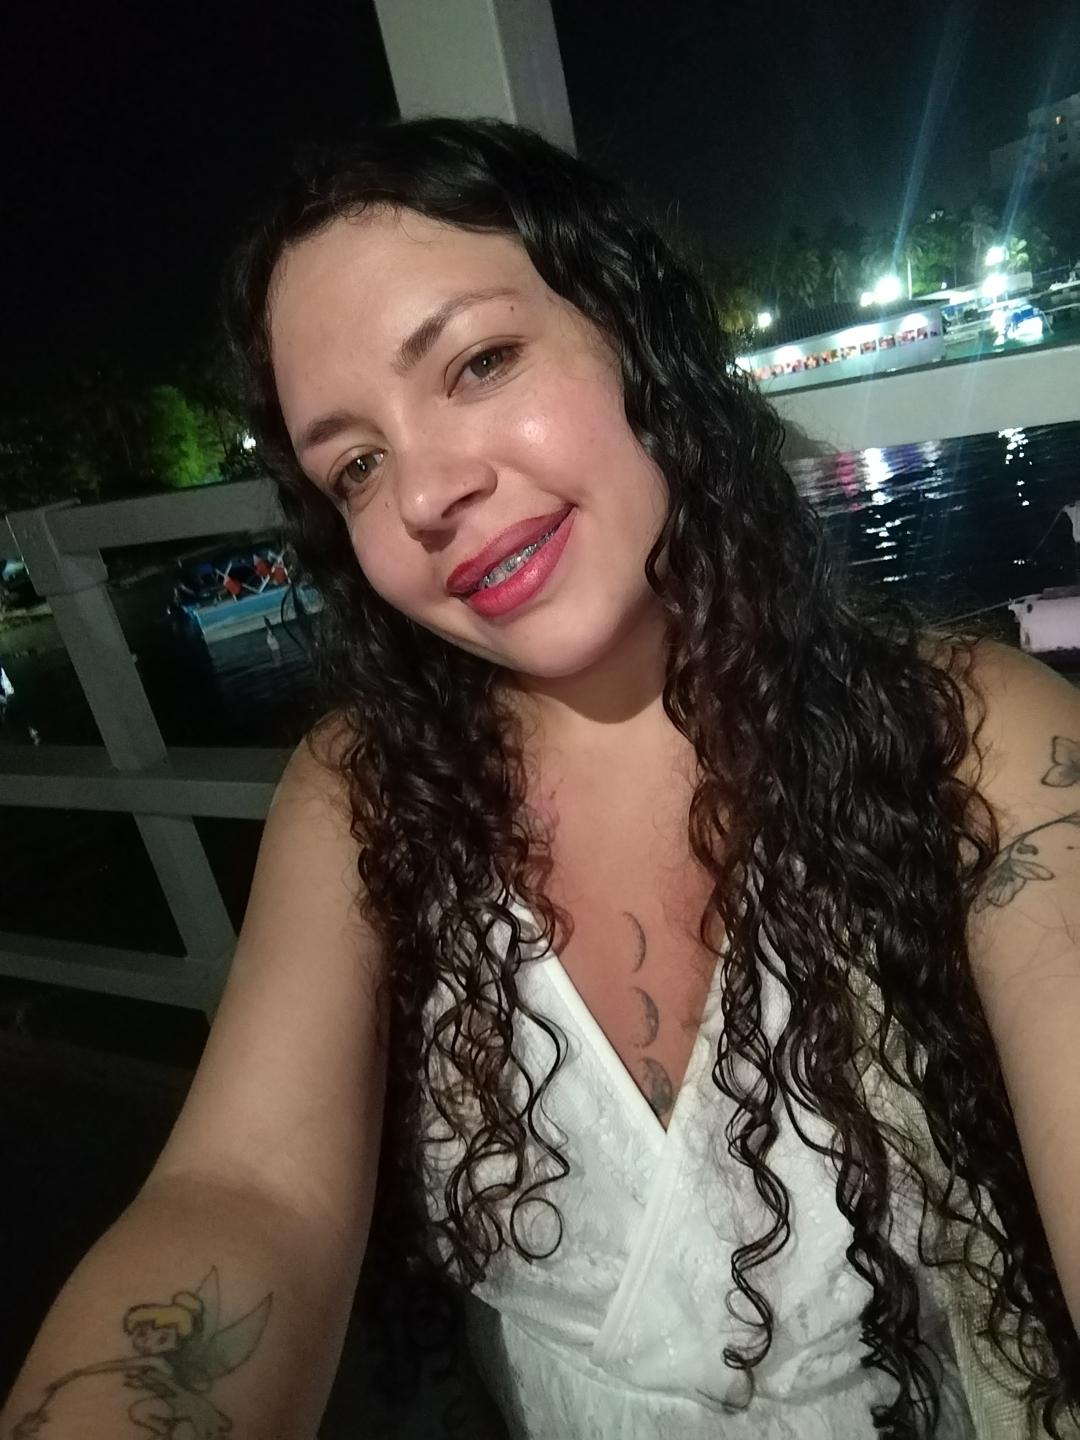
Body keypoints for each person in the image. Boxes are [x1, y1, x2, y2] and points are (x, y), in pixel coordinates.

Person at [4, 117, 1080, 1440]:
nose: (425, 495)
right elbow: (244, 1193)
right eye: (356, 466)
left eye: (479, 362)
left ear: (635, 336)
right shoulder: (363, 799)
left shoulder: (977, 740)